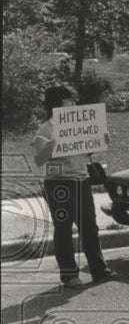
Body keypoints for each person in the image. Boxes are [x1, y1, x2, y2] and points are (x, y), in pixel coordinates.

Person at [33, 85, 117, 288]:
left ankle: (99, 270)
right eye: (69, 100)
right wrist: (48, 150)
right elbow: (38, 161)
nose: (74, 103)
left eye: (73, 100)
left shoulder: (79, 122)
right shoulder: (46, 129)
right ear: (57, 104)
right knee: (63, 229)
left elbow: (88, 150)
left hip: (81, 180)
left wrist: (101, 140)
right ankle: (69, 276)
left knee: (90, 227)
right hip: (58, 184)